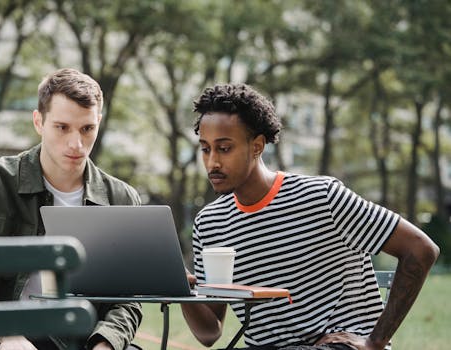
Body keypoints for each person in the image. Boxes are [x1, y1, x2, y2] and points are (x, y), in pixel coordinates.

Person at [181, 83, 440, 350]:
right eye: (205, 149)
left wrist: (375, 341)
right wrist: (180, 284)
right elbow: (210, 333)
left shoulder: (322, 197)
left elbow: (421, 249)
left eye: (224, 149)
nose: (212, 162)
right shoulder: (209, 224)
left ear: (257, 146)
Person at [0, 68, 142, 350]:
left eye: (87, 129)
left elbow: (130, 296)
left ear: (99, 122)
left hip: (84, 340)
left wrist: (106, 343)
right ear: (38, 122)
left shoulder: (122, 197)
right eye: (62, 127)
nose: (76, 144)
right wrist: (8, 334)